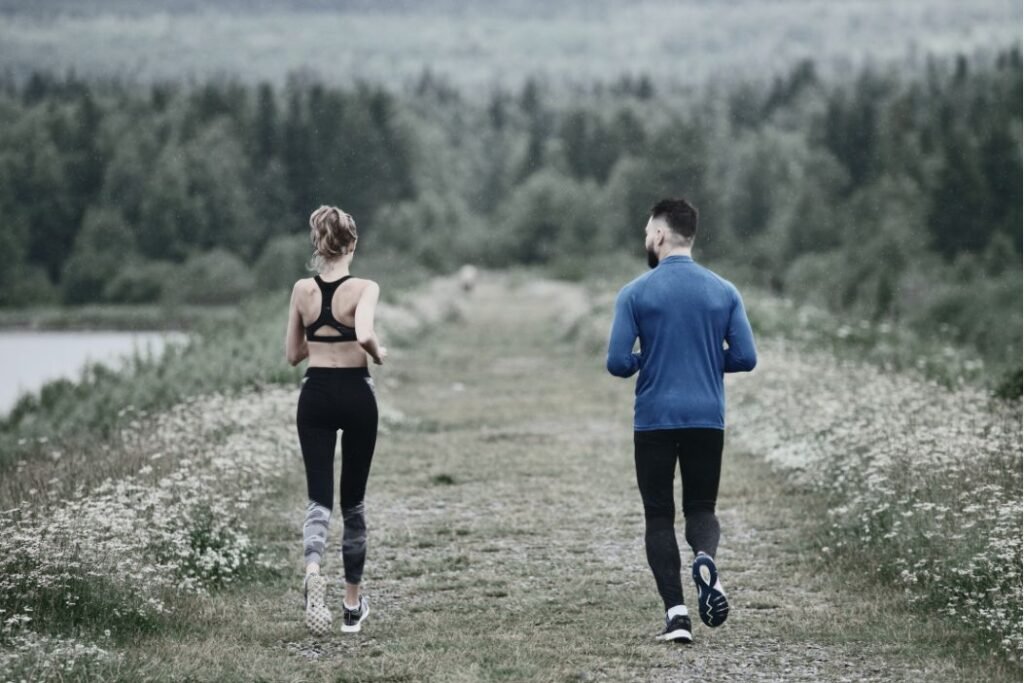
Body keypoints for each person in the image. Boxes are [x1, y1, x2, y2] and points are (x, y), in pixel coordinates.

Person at [606, 198, 757, 644]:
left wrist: (646, 360)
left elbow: (617, 362)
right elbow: (746, 357)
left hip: (654, 418)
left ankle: (677, 617)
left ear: (659, 235)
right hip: (706, 417)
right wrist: (706, 359)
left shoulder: (635, 292)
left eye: (647, 233)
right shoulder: (724, 291)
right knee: (701, 508)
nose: (646, 240)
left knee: (658, 515)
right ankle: (705, 557)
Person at [284, 205, 387, 636]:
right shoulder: (365, 287)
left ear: (318, 245)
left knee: (319, 499)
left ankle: (312, 567)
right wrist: (379, 354)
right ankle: (350, 606)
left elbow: (293, 354)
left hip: (316, 395)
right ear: (353, 244)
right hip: (356, 394)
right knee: (354, 502)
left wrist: (321, 337)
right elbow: (363, 333)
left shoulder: (301, 290)